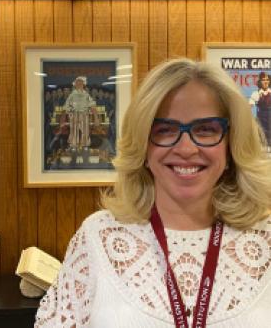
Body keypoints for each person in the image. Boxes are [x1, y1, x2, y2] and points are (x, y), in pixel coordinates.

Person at [35, 59, 271, 328]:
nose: (186, 149)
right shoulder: (98, 237)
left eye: (205, 129)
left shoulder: (266, 238)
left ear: (232, 145)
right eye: (165, 130)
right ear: (143, 147)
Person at [249, 71, 271, 145]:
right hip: (261, 116)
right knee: (261, 133)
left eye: (267, 80)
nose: (266, 82)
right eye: (263, 80)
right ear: (260, 82)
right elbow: (249, 106)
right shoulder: (256, 93)